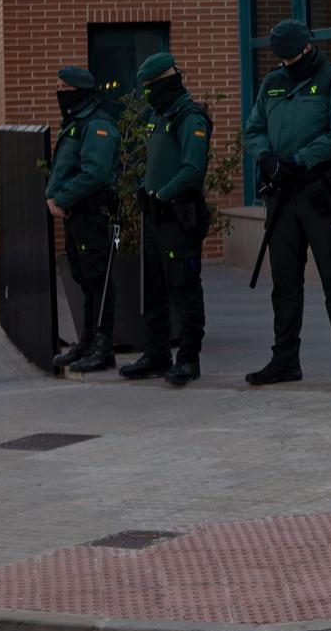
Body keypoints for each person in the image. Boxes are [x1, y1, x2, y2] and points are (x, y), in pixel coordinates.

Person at [241, 19, 331, 388]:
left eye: (290, 56)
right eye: (280, 58)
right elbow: (253, 129)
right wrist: (265, 159)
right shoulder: (273, 83)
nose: (285, 63)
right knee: (284, 285)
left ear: (307, 48)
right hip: (282, 198)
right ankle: (284, 361)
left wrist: (299, 160)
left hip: (322, 195)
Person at [118, 53, 213, 387]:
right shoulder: (159, 116)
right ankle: (157, 354)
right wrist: (145, 189)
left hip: (178, 217)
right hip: (155, 218)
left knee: (184, 290)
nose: (146, 93)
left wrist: (162, 194)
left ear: (165, 81)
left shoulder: (190, 118)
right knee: (154, 289)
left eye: (149, 86)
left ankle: (188, 359)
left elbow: (193, 170)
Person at [46, 66, 122, 374]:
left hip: (91, 212)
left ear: (78, 91)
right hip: (76, 214)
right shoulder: (77, 123)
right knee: (85, 278)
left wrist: (62, 198)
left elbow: (95, 172)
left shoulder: (97, 126)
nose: (59, 91)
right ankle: (87, 341)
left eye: (64, 87)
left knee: (98, 279)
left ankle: (103, 347)